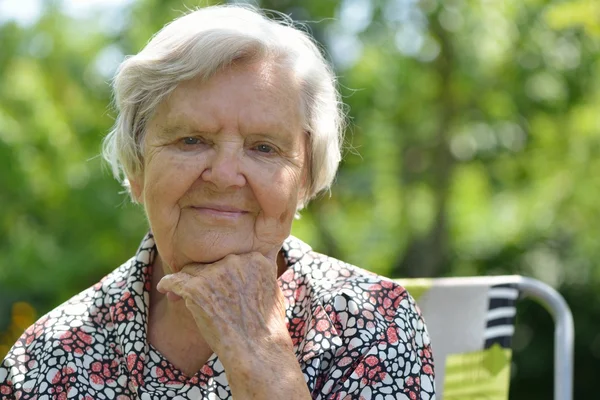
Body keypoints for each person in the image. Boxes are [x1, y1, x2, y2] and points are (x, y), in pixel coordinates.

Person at [0, 5, 435, 399]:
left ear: (304, 178)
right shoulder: (47, 357)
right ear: (138, 167)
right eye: (192, 140)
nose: (225, 176)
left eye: (264, 148)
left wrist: (258, 353)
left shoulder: (375, 323)